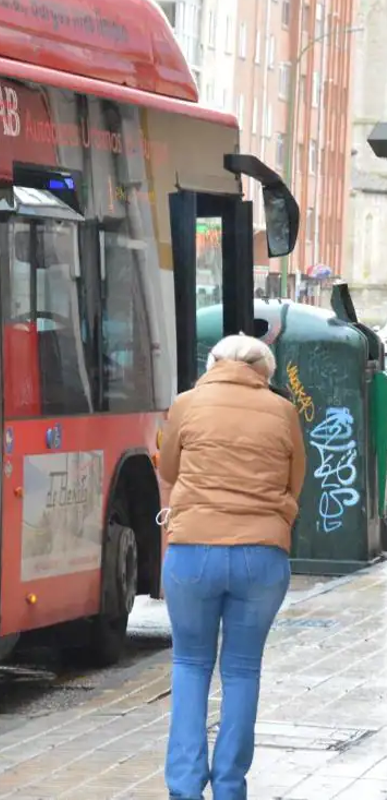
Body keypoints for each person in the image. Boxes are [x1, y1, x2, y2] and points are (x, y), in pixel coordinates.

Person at [158, 333, 306, 800]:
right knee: (242, 670)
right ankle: (229, 787)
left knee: (189, 663)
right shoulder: (283, 411)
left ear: (213, 363)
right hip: (261, 556)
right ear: (265, 370)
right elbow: (295, 480)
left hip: (192, 552)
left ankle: (184, 787)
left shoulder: (188, 402)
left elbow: (168, 470)